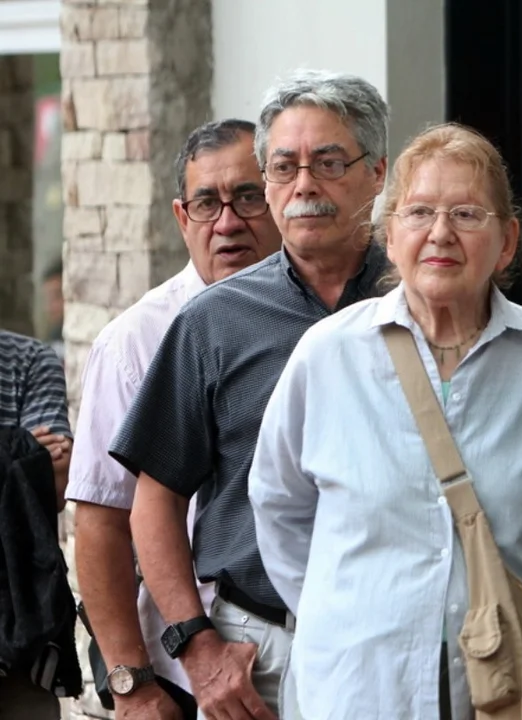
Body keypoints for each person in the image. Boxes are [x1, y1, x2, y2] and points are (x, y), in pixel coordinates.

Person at [248, 123, 522, 719]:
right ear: (389, 236)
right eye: (418, 213)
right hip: (361, 684)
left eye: (467, 214)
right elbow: (279, 507)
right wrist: (347, 613)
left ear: (508, 240)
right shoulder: (328, 353)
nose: (441, 234)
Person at [109, 70, 390, 719]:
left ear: (376, 173)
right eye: (284, 166)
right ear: (267, 181)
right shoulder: (214, 320)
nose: (304, 186)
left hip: (394, 639)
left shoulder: (416, 304)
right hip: (260, 648)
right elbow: (154, 500)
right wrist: (194, 644)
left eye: (328, 163)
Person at [66, 119, 283, 720]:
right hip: (188, 672)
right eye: (206, 203)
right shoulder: (136, 342)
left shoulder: (327, 319)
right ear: (181, 217)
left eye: (247, 196)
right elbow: (101, 524)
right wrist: (132, 688)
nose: (228, 222)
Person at [0, 328, 74, 717]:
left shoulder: (29, 360)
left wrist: (27, 464)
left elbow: (53, 483)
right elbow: (30, 470)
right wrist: (15, 452)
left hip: (17, 640)